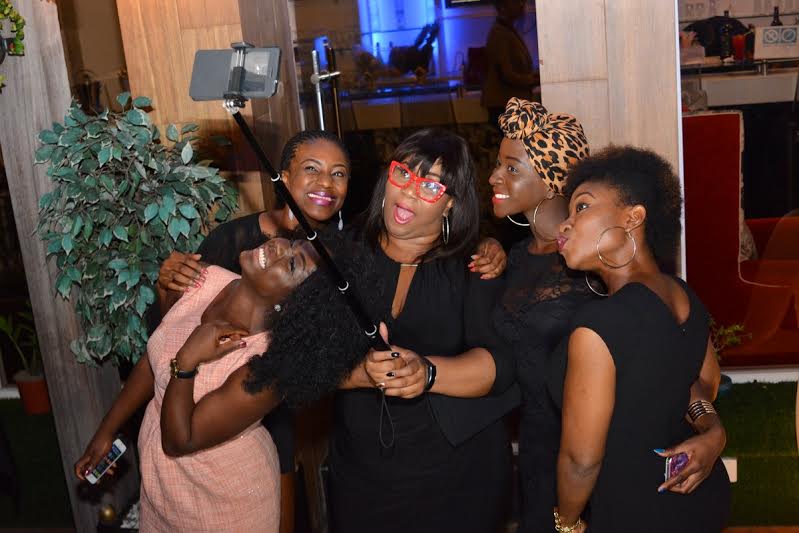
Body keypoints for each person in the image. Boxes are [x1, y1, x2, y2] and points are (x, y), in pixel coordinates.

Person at [277, 128, 519, 533]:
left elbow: (501, 365)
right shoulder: (339, 255)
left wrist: (428, 373)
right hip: (363, 474)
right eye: (403, 174)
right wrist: (358, 374)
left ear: (451, 204)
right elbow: (298, 360)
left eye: (430, 186)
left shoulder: (473, 265)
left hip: (458, 473)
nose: (409, 192)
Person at [150, 129, 351, 533]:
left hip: (271, 408)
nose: (327, 183)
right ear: (284, 177)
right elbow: (170, 327)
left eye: (339, 174)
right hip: (202, 405)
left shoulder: (340, 255)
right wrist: (166, 285)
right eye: (312, 169)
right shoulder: (235, 241)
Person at [75, 238, 321, 532]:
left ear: (293, 305)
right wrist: (107, 429)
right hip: (162, 488)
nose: (279, 248)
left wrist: (187, 361)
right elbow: (157, 360)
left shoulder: (269, 368)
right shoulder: (203, 278)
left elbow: (179, 441)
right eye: (291, 242)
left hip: (225, 503)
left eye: (292, 263)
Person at [552, 146, 731, 532]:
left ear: (633, 217)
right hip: (699, 497)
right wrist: (713, 431)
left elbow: (581, 461)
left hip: (633, 508)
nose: (564, 225)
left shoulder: (599, 323)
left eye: (582, 207)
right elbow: (702, 383)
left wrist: (566, 524)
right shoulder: (683, 295)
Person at [481, 0, 539, 127]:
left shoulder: (508, 30)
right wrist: (533, 79)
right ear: (502, 6)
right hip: (506, 108)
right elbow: (507, 75)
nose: (522, 4)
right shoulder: (499, 33)